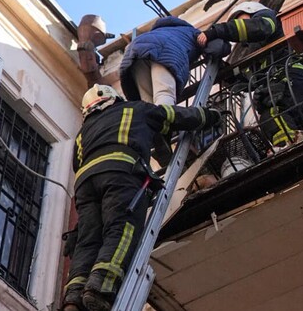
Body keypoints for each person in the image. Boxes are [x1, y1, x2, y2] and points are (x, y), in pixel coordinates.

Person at [61, 84, 221, 311]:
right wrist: (209, 115)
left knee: (88, 240)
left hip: (85, 185)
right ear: (114, 98)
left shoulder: (82, 134)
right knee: (121, 227)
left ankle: (73, 298)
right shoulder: (134, 109)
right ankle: (101, 287)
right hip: (121, 173)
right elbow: (172, 115)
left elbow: (78, 163)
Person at [197, 1, 303, 148]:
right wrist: (224, 71)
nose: (238, 26)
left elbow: (257, 28)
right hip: (286, 95)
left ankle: (292, 144)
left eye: (240, 20)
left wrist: (216, 31)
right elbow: (247, 82)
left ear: (252, 11)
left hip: (293, 84)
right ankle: (296, 141)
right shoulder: (257, 57)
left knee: (273, 117)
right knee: (268, 119)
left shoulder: (269, 20)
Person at [119, 16, 201, 106]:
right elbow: (205, 40)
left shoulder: (156, 31)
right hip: (166, 50)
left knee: (147, 102)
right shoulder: (190, 30)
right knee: (164, 92)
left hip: (134, 52)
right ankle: (165, 118)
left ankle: (152, 119)